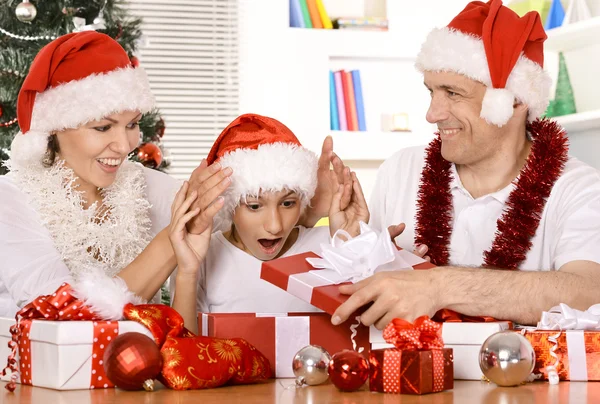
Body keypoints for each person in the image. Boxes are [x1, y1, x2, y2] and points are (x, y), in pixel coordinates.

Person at [330, 0, 600, 329]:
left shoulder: (579, 189)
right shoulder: (400, 170)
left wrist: (438, 285)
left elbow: (590, 292)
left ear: (514, 100)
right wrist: (352, 245)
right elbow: (363, 312)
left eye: (453, 93)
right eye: (431, 91)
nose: (433, 114)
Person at [0, 32, 229, 318]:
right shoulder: (9, 199)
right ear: (55, 126)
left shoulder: (142, 183)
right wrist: (171, 239)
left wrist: (300, 213)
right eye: (103, 128)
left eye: (132, 124)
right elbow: (65, 314)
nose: (124, 146)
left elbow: (235, 226)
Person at [169, 114, 369, 332]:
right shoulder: (202, 255)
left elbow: (363, 332)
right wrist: (188, 272)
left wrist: (353, 246)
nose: (275, 226)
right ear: (229, 205)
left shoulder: (332, 242)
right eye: (254, 206)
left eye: (288, 203)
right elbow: (183, 354)